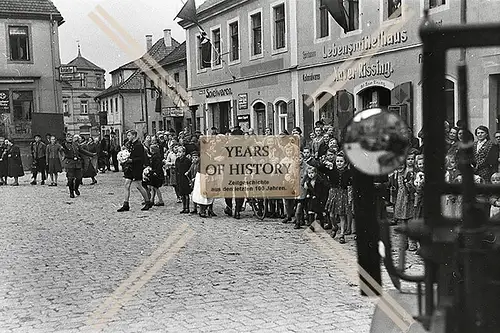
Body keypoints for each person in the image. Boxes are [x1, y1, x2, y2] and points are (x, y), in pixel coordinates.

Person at [117, 130, 153, 211]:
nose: (128, 137)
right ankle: (126, 204)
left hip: (137, 167)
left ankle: (147, 201)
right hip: (129, 168)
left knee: (139, 186)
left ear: (134, 135)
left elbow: (140, 158)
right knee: (126, 184)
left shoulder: (139, 145)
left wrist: (131, 160)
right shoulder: (130, 144)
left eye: (129, 135)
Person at [61, 134, 96, 198]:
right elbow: (64, 149)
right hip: (70, 163)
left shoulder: (76, 144)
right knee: (70, 179)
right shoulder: (64, 145)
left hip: (77, 163)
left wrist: (91, 154)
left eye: (71, 137)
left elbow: (82, 151)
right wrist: (63, 144)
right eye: (68, 137)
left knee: (79, 178)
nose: (70, 138)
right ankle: (71, 192)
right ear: (66, 138)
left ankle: (76, 188)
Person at [175, 146, 192, 214]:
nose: (178, 153)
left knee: (186, 194)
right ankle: (184, 207)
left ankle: (187, 208)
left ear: (184, 153)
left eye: (180, 152)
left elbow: (189, 169)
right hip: (179, 178)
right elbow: (176, 169)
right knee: (182, 194)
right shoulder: (177, 160)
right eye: (178, 152)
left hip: (185, 178)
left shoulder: (187, 160)